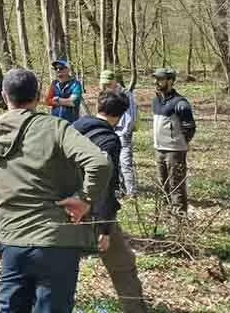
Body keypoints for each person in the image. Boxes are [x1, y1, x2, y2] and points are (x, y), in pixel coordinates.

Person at [0, 67, 111, 313]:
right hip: (58, 241)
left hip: (13, 241)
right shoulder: (56, 128)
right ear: (38, 96)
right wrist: (85, 199)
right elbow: (99, 162)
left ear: (4, 96)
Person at [74, 90, 147, 313]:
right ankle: (134, 308)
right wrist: (104, 228)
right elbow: (106, 185)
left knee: (61, 264)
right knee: (122, 264)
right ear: (120, 115)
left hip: (65, 205)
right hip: (93, 210)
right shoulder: (109, 140)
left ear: (98, 106)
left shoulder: (73, 128)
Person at [151, 67, 195, 216]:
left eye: (160, 79)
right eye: (156, 79)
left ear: (170, 81)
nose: (156, 82)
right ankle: (165, 217)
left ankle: (179, 223)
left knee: (176, 186)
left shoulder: (180, 103)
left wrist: (180, 142)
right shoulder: (156, 101)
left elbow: (189, 127)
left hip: (175, 151)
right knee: (162, 186)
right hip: (159, 149)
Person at [100, 69, 137, 197]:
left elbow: (131, 116)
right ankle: (118, 190)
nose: (107, 86)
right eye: (105, 84)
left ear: (114, 81)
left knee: (125, 163)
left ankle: (131, 192)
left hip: (123, 133)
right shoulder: (106, 95)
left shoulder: (126, 94)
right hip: (110, 132)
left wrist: (125, 132)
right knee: (114, 163)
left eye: (109, 84)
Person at [46, 58, 83, 124]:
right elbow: (48, 101)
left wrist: (57, 99)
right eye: (55, 68)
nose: (58, 70)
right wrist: (66, 101)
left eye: (61, 68)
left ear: (67, 69)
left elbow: (73, 102)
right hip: (55, 122)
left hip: (71, 123)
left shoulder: (75, 84)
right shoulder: (54, 84)